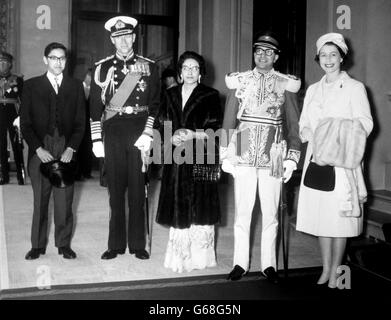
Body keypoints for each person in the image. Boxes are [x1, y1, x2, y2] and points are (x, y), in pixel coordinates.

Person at [221, 32, 302, 283]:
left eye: (268, 52)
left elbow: (293, 125)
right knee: (242, 213)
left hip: (274, 154)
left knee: (271, 214)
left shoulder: (284, 83)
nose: (262, 55)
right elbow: (230, 121)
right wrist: (226, 153)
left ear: (276, 56)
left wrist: (292, 158)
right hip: (243, 151)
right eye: (258, 51)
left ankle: (269, 265)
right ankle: (239, 263)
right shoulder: (240, 81)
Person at [296, 33, 373, 288]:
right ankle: (326, 268)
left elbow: (366, 123)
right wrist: (308, 132)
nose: (328, 60)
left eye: (333, 54)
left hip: (342, 161)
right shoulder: (314, 90)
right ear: (318, 59)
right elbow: (304, 122)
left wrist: (335, 131)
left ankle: (338, 270)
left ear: (342, 57)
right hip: (317, 158)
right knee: (321, 217)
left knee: (338, 219)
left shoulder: (355, 88)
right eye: (323, 55)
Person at [89, 16, 160, 260]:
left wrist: (149, 132)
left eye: (127, 36)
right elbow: (93, 108)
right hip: (113, 132)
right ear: (112, 39)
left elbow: (156, 104)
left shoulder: (150, 66)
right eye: (118, 37)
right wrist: (97, 139)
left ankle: (138, 244)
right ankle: (116, 244)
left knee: (138, 190)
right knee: (115, 190)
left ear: (134, 37)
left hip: (139, 130)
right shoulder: (101, 67)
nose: (123, 41)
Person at [156, 51, 223, 273]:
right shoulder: (170, 93)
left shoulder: (210, 94)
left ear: (201, 72)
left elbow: (215, 128)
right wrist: (171, 136)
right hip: (176, 157)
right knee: (179, 202)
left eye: (195, 68)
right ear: (180, 72)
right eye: (186, 68)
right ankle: (180, 258)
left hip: (202, 155)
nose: (191, 72)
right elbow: (162, 122)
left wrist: (193, 134)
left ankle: (200, 258)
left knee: (201, 204)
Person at [20, 42, 85, 260]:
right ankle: (37, 245)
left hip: (65, 149)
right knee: (40, 201)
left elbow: (80, 124)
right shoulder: (30, 86)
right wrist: (37, 149)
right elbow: (25, 124)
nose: (58, 62)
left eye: (62, 58)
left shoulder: (75, 87)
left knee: (64, 201)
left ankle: (64, 244)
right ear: (45, 59)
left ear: (66, 61)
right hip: (40, 150)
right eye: (54, 58)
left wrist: (71, 149)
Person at [0, 51, 25, 185]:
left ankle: (21, 175)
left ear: (10, 65)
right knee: (1, 146)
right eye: (0, 62)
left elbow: (24, 100)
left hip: (13, 115)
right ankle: (4, 176)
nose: (1, 65)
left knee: (17, 144)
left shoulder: (17, 80)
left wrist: (20, 116)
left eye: (4, 62)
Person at [75, 68, 93, 180]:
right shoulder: (76, 87)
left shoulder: (95, 89)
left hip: (89, 123)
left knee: (88, 147)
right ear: (86, 76)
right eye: (90, 76)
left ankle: (87, 172)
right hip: (77, 122)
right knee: (77, 148)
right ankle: (77, 174)